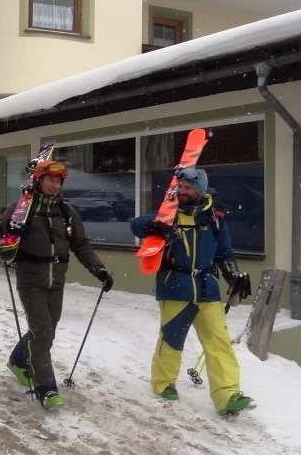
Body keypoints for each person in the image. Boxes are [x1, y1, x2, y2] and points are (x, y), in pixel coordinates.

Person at [0, 160, 113, 411]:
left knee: (46, 330)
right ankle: (47, 388)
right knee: (43, 331)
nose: (55, 186)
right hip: (30, 280)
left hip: (56, 280)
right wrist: (9, 226)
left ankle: (17, 360)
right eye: (50, 180)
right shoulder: (22, 209)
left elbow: (81, 245)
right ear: (38, 181)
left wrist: (98, 269)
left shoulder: (67, 212)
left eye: (58, 182)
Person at [130, 167, 254, 416]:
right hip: (175, 286)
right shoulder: (168, 215)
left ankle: (228, 395)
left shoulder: (214, 219)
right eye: (180, 186)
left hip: (208, 290)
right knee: (172, 341)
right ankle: (164, 384)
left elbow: (225, 254)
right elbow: (136, 225)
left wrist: (233, 275)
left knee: (219, 343)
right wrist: (155, 225)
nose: (182, 191)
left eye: (187, 187)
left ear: (200, 190)